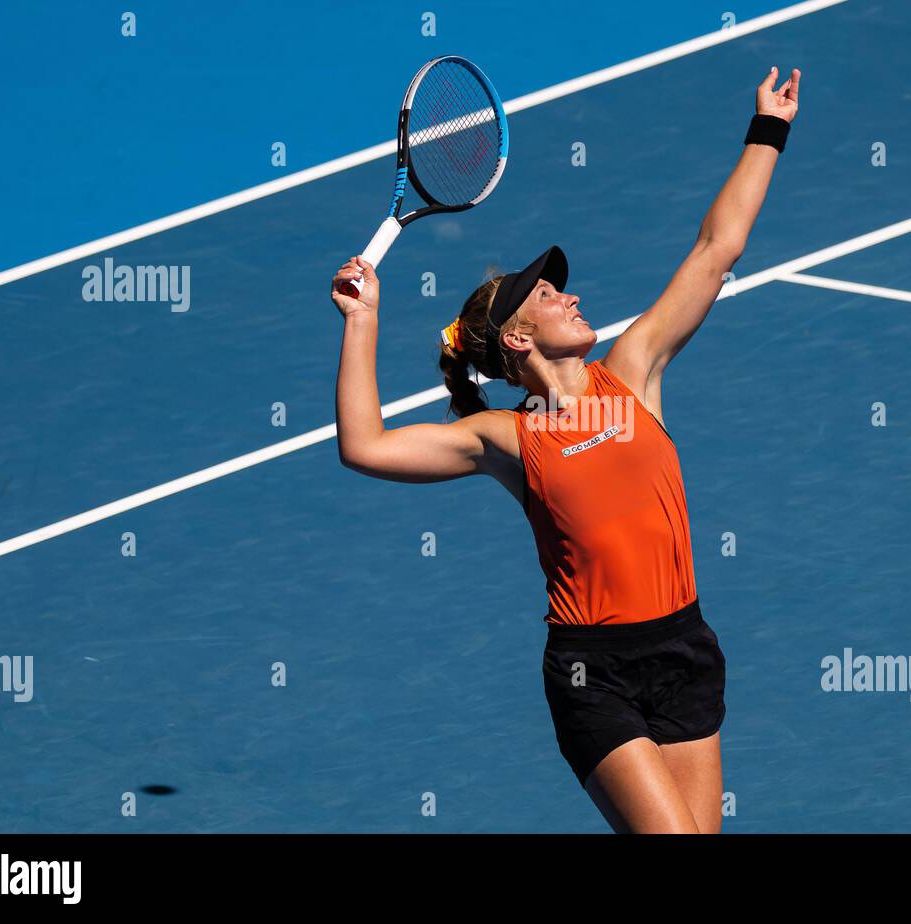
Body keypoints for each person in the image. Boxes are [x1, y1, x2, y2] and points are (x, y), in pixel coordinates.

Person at [329, 67, 800, 833]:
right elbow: (365, 445)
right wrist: (362, 320)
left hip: (685, 646)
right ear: (519, 339)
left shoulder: (635, 370)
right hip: (593, 672)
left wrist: (768, 130)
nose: (570, 295)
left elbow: (718, 249)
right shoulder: (505, 438)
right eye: (548, 295)